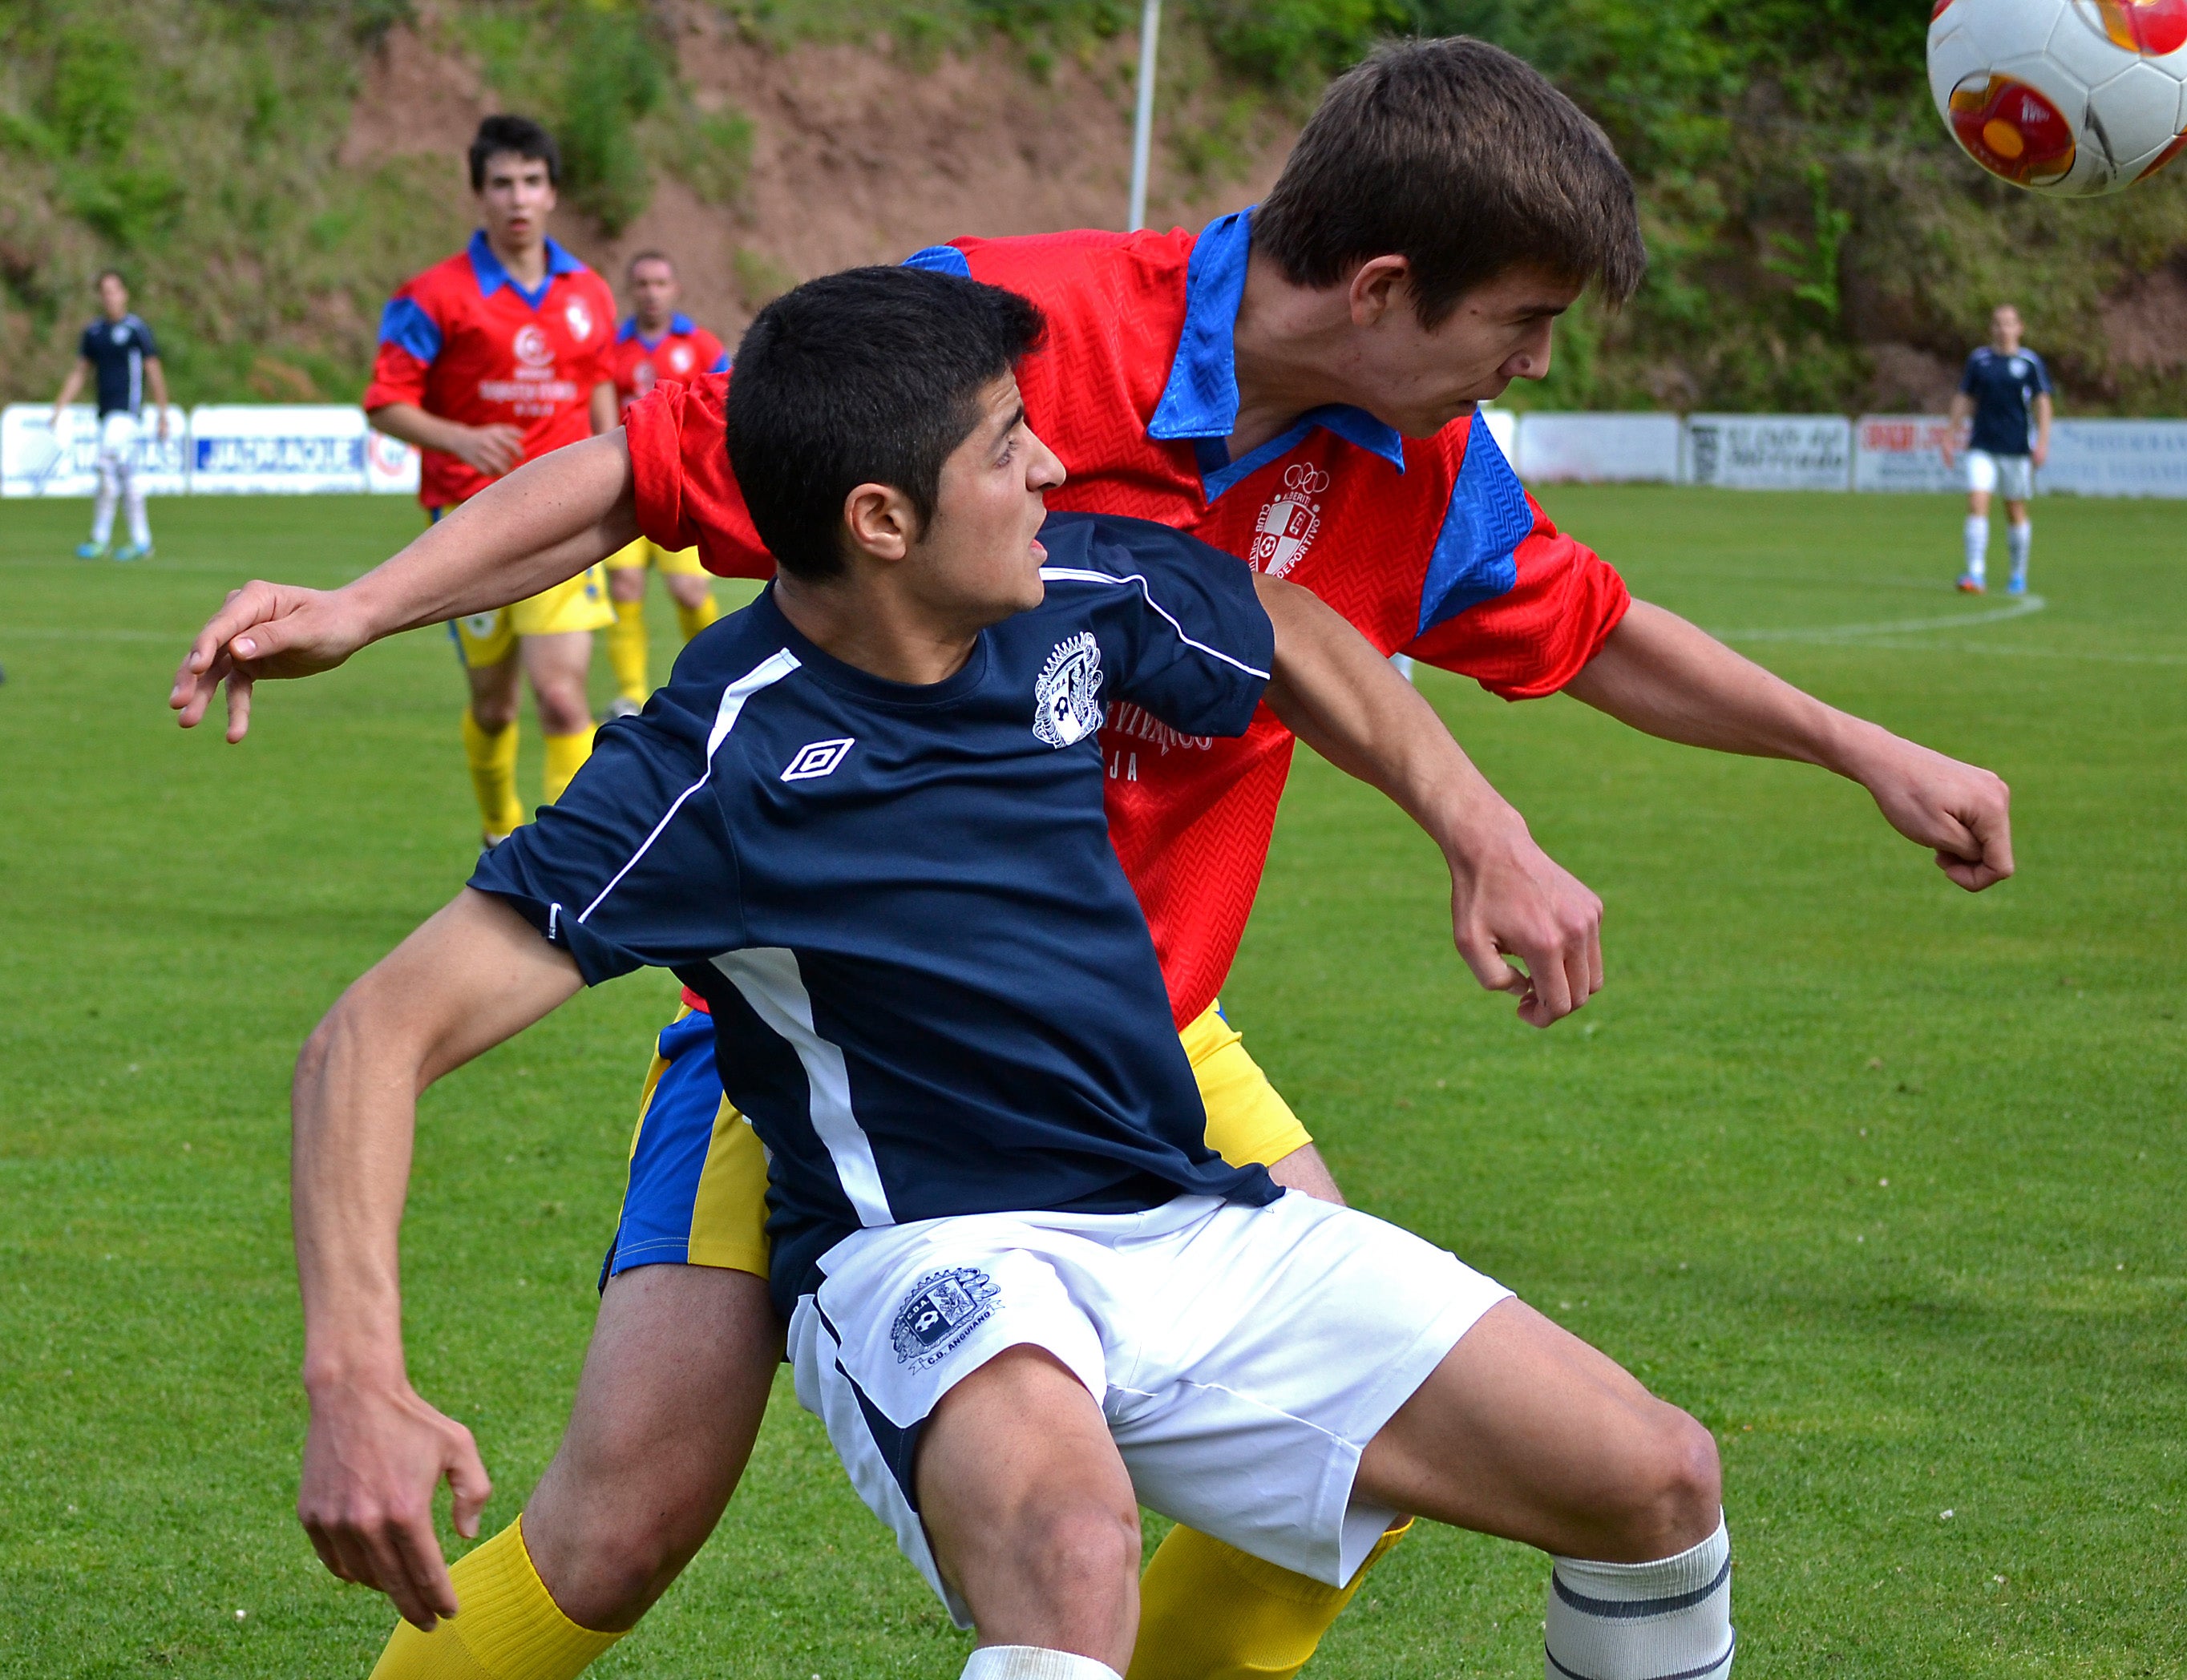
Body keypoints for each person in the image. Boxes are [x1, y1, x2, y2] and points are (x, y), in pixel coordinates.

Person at [171, 38, 2012, 1680]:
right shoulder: (1004, 348)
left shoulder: (1413, 458)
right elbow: (648, 464)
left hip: (1155, 1033)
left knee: (1371, 1461)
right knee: (620, 1526)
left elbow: (1547, 629)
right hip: (855, 1048)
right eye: (1516, 325)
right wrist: (363, 603)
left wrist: (1832, 750)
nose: (1528, 367)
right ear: (1381, 288)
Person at [291, 265, 1736, 1680]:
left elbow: (1287, 628)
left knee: (1654, 1480)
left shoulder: (1075, 591)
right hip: (934, 1255)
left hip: (1184, 1217)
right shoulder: (709, 764)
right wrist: (356, 1379)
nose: (1052, 462)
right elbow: (373, 1034)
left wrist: (1478, 829)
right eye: (1004, 442)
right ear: (881, 519)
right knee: (1067, 1546)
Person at [365, 114, 621, 846]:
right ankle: (496, 827)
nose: (518, 198)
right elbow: (385, 401)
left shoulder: (589, 293)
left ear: (552, 194)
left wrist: (626, 485)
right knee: (495, 707)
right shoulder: (432, 296)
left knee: (565, 700)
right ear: (479, 194)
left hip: (569, 517)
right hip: (469, 519)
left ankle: (562, 862)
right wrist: (461, 438)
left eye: (532, 182)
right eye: (502, 183)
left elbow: (601, 395)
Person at [600, 252, 730, 717]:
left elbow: (728, 402)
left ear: (674, 289)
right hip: (623, 486)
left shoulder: (700, 345)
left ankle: (723, 680)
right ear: (630, 291)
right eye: (643, 284)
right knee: (626, 586)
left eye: (660, 283)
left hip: (682, 488)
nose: (651, 292)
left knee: (690, 593)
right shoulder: (611, 348)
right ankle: (630, 693)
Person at [51, 269, 169, 563]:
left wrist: (163, 413)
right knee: (126, 478)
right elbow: (80, 372)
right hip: (106, 415)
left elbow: (153, 371)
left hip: (127, 414)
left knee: (106, 464)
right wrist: (60, 405)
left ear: (124, 293)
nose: (110, 296)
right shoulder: (94, 333)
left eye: (115, 289)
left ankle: (102, 538)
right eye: (104, 291)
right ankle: (141, 543)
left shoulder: (136, 330)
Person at [1942, 304, 2052, 596]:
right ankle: (1975, 573)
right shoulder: (1980, 361)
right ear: (1992, 329)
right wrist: (1950, 434)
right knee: (1977, 502)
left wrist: (2042, 442)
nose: (2004, 329)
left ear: (2020, 327)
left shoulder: (2029, 363)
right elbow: (1964, 397)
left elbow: (2042, 403)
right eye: (1998, 324)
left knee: (2014, 509)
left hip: (2016, 448)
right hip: (1982, 446)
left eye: (2009, 323)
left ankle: (2018, 575)